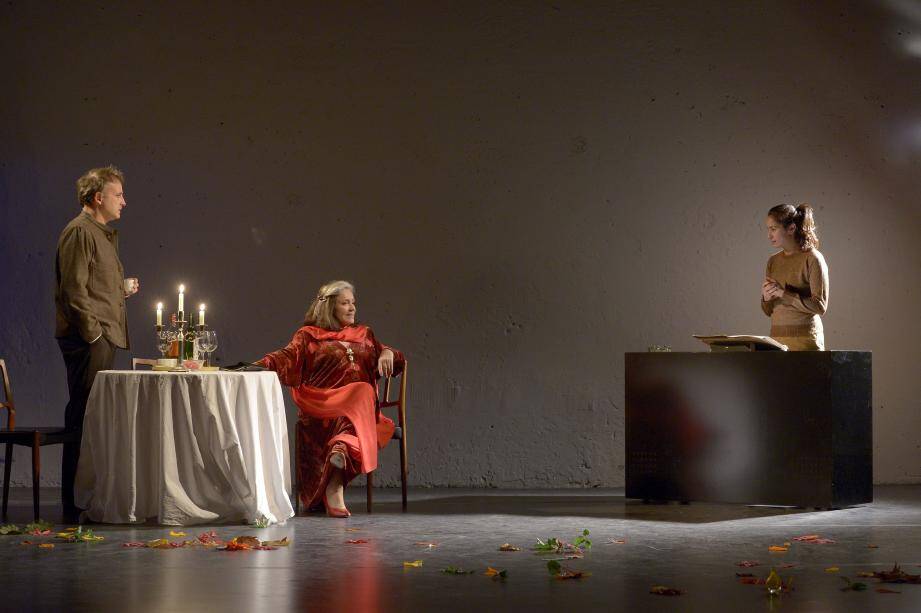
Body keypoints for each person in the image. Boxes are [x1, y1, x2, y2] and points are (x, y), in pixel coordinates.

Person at [258, 281, 404, 517]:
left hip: (357, 409)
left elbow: (396, 358)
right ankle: (335, 480)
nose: (352, 308)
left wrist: (387, 352)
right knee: (362, 394)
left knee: (362, 394)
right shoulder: (308, 336)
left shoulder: (364, 334)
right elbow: (285, 358)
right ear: (329, 308)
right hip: (321, 404)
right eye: (345, 303)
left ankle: (338, 465)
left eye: (353, 303)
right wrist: (258, 365)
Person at [55, 165, 138, 521]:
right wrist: (93, 334)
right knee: (83, 416)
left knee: (94, 418)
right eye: (118, 194)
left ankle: (88, 498)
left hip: (103, 335)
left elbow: (91, 284)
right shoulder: (79, 232)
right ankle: (73, 504)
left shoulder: (98, 233)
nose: (124, 201)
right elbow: (73, 291)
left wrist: (121, 289)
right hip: (90, 338)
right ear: (98, 197)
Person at [761, 203, 828, 350]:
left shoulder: (813, 258)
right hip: (776, 344)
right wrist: (766, 298)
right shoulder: (773, 261)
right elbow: (768, 311)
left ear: (791, 228)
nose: (769, 235)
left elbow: (820, 306)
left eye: (773, 229)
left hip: (806, 344)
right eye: (768, 229)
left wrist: (783, 294)